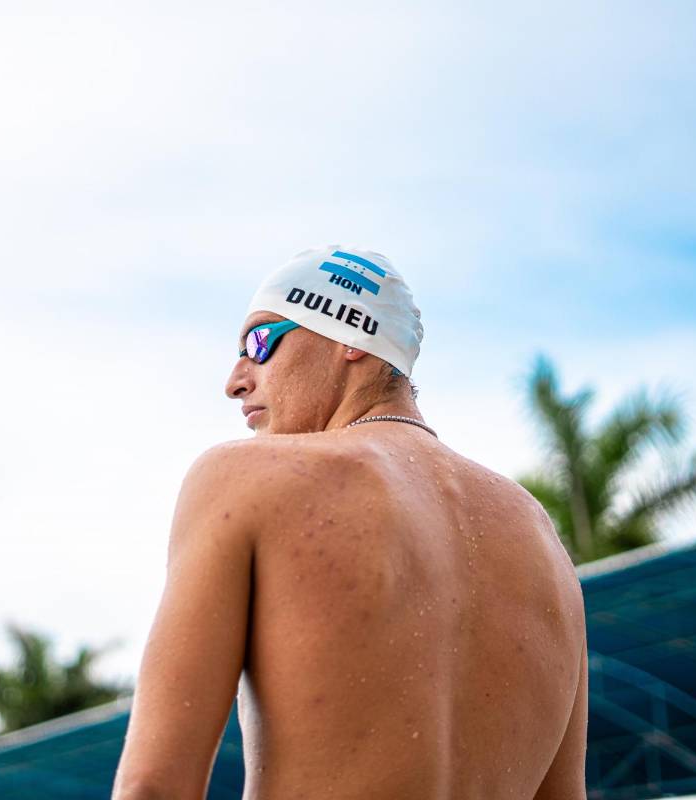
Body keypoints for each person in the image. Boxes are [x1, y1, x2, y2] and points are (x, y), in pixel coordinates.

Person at [112, 246, 587, 799]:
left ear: (348, 340)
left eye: (259, 343)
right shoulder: (538, 536)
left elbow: (152, 786)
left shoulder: (243, 478)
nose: (236, 380)